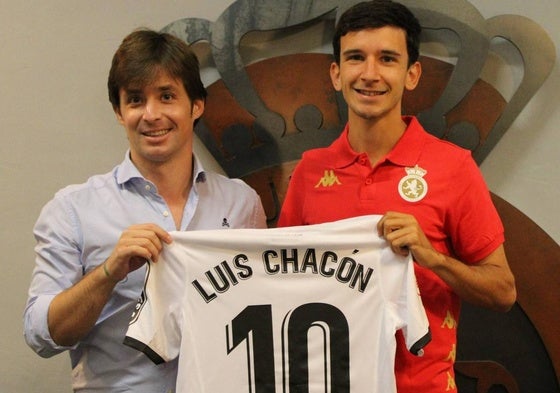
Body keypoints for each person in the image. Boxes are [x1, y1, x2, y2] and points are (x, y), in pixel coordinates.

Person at [277, 1, 516, 392]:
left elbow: (503, 292)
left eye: (387, 59)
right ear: (336, 74)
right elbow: (279, 282)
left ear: (412, 74)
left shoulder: (454, 167)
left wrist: (433, 258)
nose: (370, 74)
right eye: (356, 58)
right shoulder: (309, 171)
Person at [24, 29, 267, 392]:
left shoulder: (242, 203)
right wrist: (109, 272)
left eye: (166, 96)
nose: (151, 115)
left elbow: (266, 307)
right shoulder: (72, 210)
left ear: (196, 105)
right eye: (135, 100)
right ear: (120, 112)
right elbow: (41, 335)